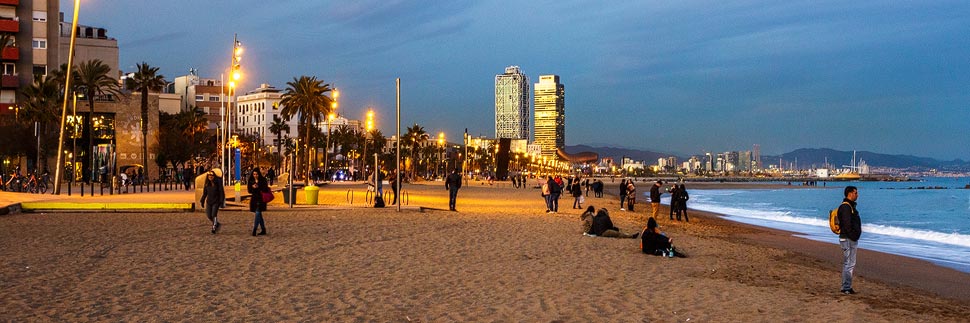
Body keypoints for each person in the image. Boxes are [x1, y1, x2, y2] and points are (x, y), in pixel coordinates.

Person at [837, 186, 861, 295]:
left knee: (848, 263)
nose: (857, 195)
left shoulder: (848, 206)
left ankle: (846, 286)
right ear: (850, 194)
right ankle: (846, 287)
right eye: (856, 193)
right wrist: (854, 235)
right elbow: (847, 224)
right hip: (848, 238)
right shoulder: (846, 207)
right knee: (849, 263)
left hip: (847, 238)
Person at [247, 169, 269, 236]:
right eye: (254, 174)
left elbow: (265, 189)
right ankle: (263, 229)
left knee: (258, 212)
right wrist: (252, 187)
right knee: (259, 214)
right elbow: (249, 191)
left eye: (256, 174)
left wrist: (259, 185)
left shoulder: (263, 180)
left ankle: (254, 229)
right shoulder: (251, 181)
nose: (255, 176)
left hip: (261, 198)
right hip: (254, 198)